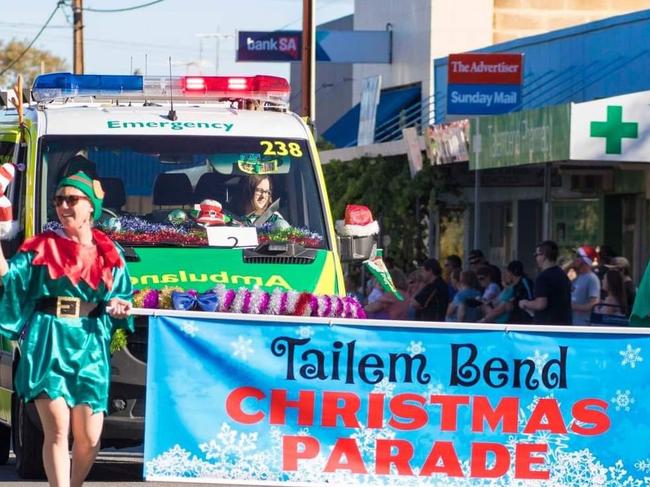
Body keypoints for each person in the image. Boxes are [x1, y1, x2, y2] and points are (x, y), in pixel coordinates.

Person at [0, 167, 133, 487]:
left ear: (91, 206)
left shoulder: (108, 251)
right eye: (59, 199)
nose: (64, 206)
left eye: (72, 199)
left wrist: (119, 306)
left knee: (88, 438)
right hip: (48, 340)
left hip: (89, 343)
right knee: (57, 431)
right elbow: (9, 278)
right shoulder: (42, 246)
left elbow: (121, 294)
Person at [519, 240, 572, 325]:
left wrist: (525, 303)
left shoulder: (543, 277)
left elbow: (540, 304)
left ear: (543, 255)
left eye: (536, 255)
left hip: (546, 326)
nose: (536, 258)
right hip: (564, 325)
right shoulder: (563, 275)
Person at [571, 245, 601, 325]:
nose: (574, 259)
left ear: (585, 260)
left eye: (577, 256)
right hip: (574, 324)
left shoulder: (592, 278)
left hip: (584, 325)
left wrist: (574, 306)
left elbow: (594, 304)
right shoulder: (578, 277)